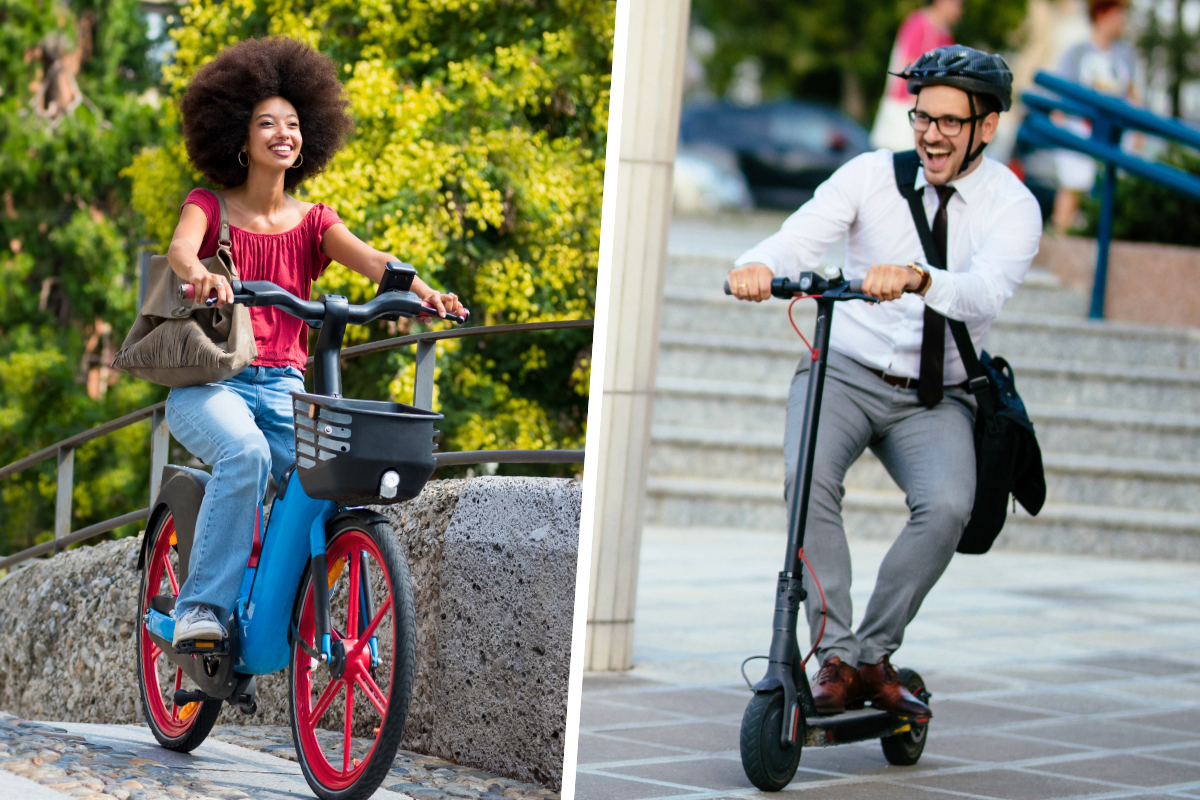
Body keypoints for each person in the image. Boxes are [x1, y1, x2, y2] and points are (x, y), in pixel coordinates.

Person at [727, 46, 1041, 717]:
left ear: (987, 126)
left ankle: (872, 655)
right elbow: (797, 239)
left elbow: (984, 294)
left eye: (950, 122)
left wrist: (920, 277)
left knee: (950, 506)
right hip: (844, 371)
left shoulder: (1014, 206)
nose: (930, 134)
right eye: (922, 118)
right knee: (804, 477)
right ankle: (835, 655)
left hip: (938, 395)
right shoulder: (869, 176)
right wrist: (755, 264)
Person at [165, 36, 465, 647]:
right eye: (266, 123)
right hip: (211, 384)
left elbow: (378, 262)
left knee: (336, 477)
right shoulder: (210, 205)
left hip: (284, 386)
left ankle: (295, 614)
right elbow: (178, 250)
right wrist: (204, 276)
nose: (283, 133)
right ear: (238, 138)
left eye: (294, 124)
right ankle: (200, 608)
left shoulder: (315, 222)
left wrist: (428, 295)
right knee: (244, 454)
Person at [1051, 0, 1139, 233]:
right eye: (1118, 14)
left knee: (1112, 190)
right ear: (1103, 14)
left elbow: (1132, 95)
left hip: (1113, 132)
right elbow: (1061, 93)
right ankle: (1061, 238)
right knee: (1073, 184)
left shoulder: (1125, 54)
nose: (1122, 21)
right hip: (1081, 128)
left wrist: (1138, 133)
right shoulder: (1077, 52)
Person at [869, 0, 962, 153]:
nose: (959, 10)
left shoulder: (945, 35)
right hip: (905, 108)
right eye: (956, 4)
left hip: (924, 111)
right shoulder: (920, 24)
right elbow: (907, 66)